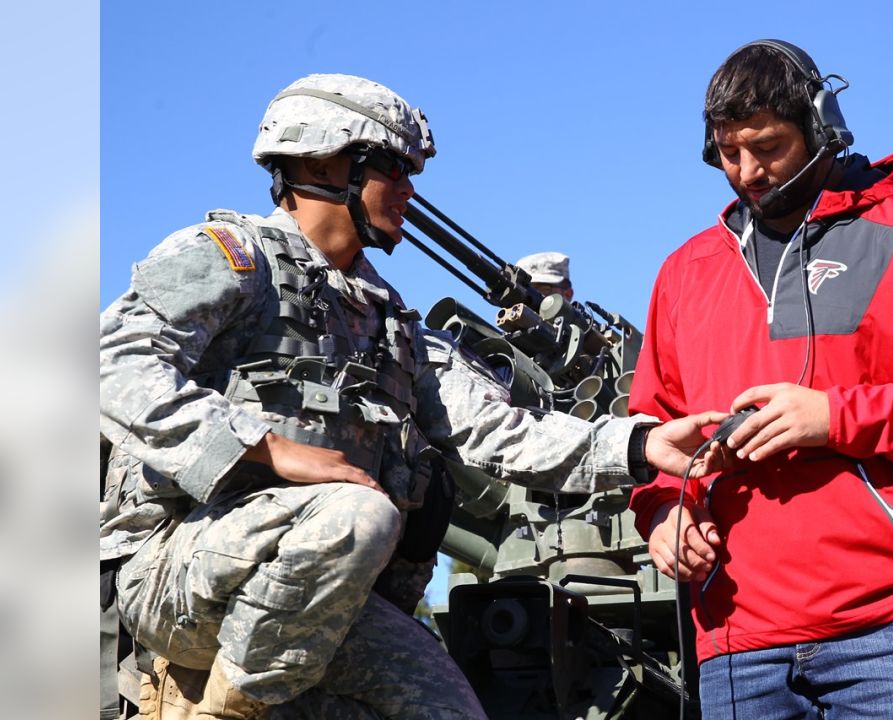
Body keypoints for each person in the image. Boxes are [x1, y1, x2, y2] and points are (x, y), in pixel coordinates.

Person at [99, 73, 726, 720]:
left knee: (449, 706)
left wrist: (642, 443)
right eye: (392, 167)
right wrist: (269, 447)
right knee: (355, 515)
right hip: (180, 576)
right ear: (319, 161)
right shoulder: (234, 261)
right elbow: (113, 360)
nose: (408, 189)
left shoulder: (390, 325)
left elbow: (499, 432)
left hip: (317, 596)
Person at [627, 40, 893, 719]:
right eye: (729, 153)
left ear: (823, 125)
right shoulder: (684, 274)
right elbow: (654, 430)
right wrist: (666, 511)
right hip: (737, 641)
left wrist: (836, 417)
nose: (747, 172)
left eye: (767, 147)